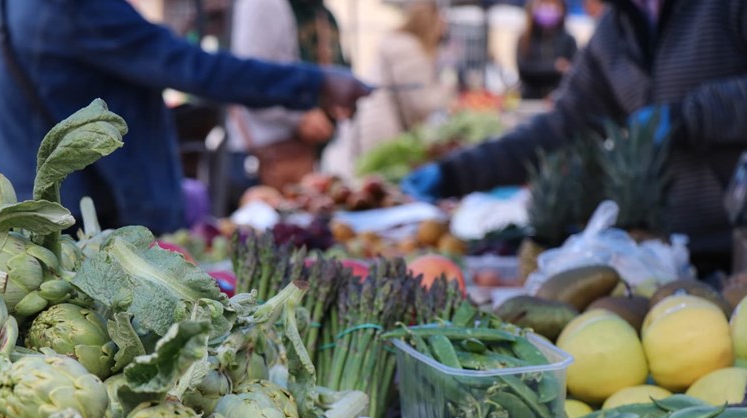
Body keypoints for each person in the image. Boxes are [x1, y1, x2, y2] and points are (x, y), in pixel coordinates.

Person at [0, 0, 370, 234]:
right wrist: (316, 83)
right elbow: (192, 68)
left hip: (3, 207)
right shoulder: (75, 7)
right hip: (68, 221)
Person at [401, 0, 747, 276]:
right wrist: (453, 173)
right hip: (663, 253)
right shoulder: (613, 31)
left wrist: (690, 115)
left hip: (735, 243)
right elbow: (560, 128)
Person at [225, 0, 336, 205]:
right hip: (264, 155)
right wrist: (300, 117)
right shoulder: (263, 4)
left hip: (274, 149)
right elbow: (252, 83)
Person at [351, 1, 456, 159]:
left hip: (379, 129)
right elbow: (421, 102)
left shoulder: (401, 44)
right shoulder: (407, 49)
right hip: (384, 134)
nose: (443, 29)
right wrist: (448, 89)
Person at [516, 0, 577, 100]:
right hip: (530, 98)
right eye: (544, 4)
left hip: (559, 99)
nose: (549, 9)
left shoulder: (568, 40)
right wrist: (555, 66)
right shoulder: (525, 39)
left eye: (553, 5)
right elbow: (524, 69)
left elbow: (572, 71)